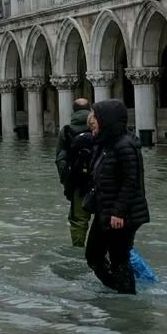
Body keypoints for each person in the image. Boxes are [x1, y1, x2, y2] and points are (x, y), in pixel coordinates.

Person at [84, 99, 151, 294]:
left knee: (118, 259)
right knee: (93, 256)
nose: (93, 121)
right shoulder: (106, 143)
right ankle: (117, 288)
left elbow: (131, 182)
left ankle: (126, 296)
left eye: (96, 117)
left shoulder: (125, 145)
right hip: (105, 211)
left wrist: (118, 212)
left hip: (121, 216)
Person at [55, 98, 95, 247]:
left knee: (78, 220)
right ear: (90, 109)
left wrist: (66, 183)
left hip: (79, 182)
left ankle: (78, 249)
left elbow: (61, 160)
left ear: (73, 111)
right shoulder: (99, 128)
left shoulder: (66, 131)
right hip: (100, 181)